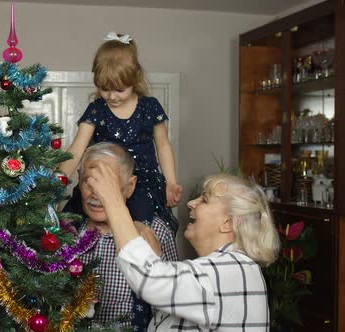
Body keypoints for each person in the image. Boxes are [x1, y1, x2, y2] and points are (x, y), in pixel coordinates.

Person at [59, 31, 183, 330]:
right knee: (69, 224)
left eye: (120, 90)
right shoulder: (97, 110)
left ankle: (139, 312)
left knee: (138, 235)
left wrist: (171, 181)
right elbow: (77, 147)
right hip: (103, 178)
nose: (112, 96)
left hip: (141, 185)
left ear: (135, 78)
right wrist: (59, 177)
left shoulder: (150, 107)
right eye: (104, 89)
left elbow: (163, 145)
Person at [84, 163, 280, 331]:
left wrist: (113, 201)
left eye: (204, 199)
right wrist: (156, 260)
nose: (191, 203)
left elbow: (149, 282)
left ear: (228, 222)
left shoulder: (232, 270)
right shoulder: (220, 269)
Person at [75, 142, 178, 328]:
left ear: (130, 186)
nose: (96, 194)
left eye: (108, 186)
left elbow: (169, 309)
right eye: (89, 182)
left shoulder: (154, 231)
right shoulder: (68, 233)